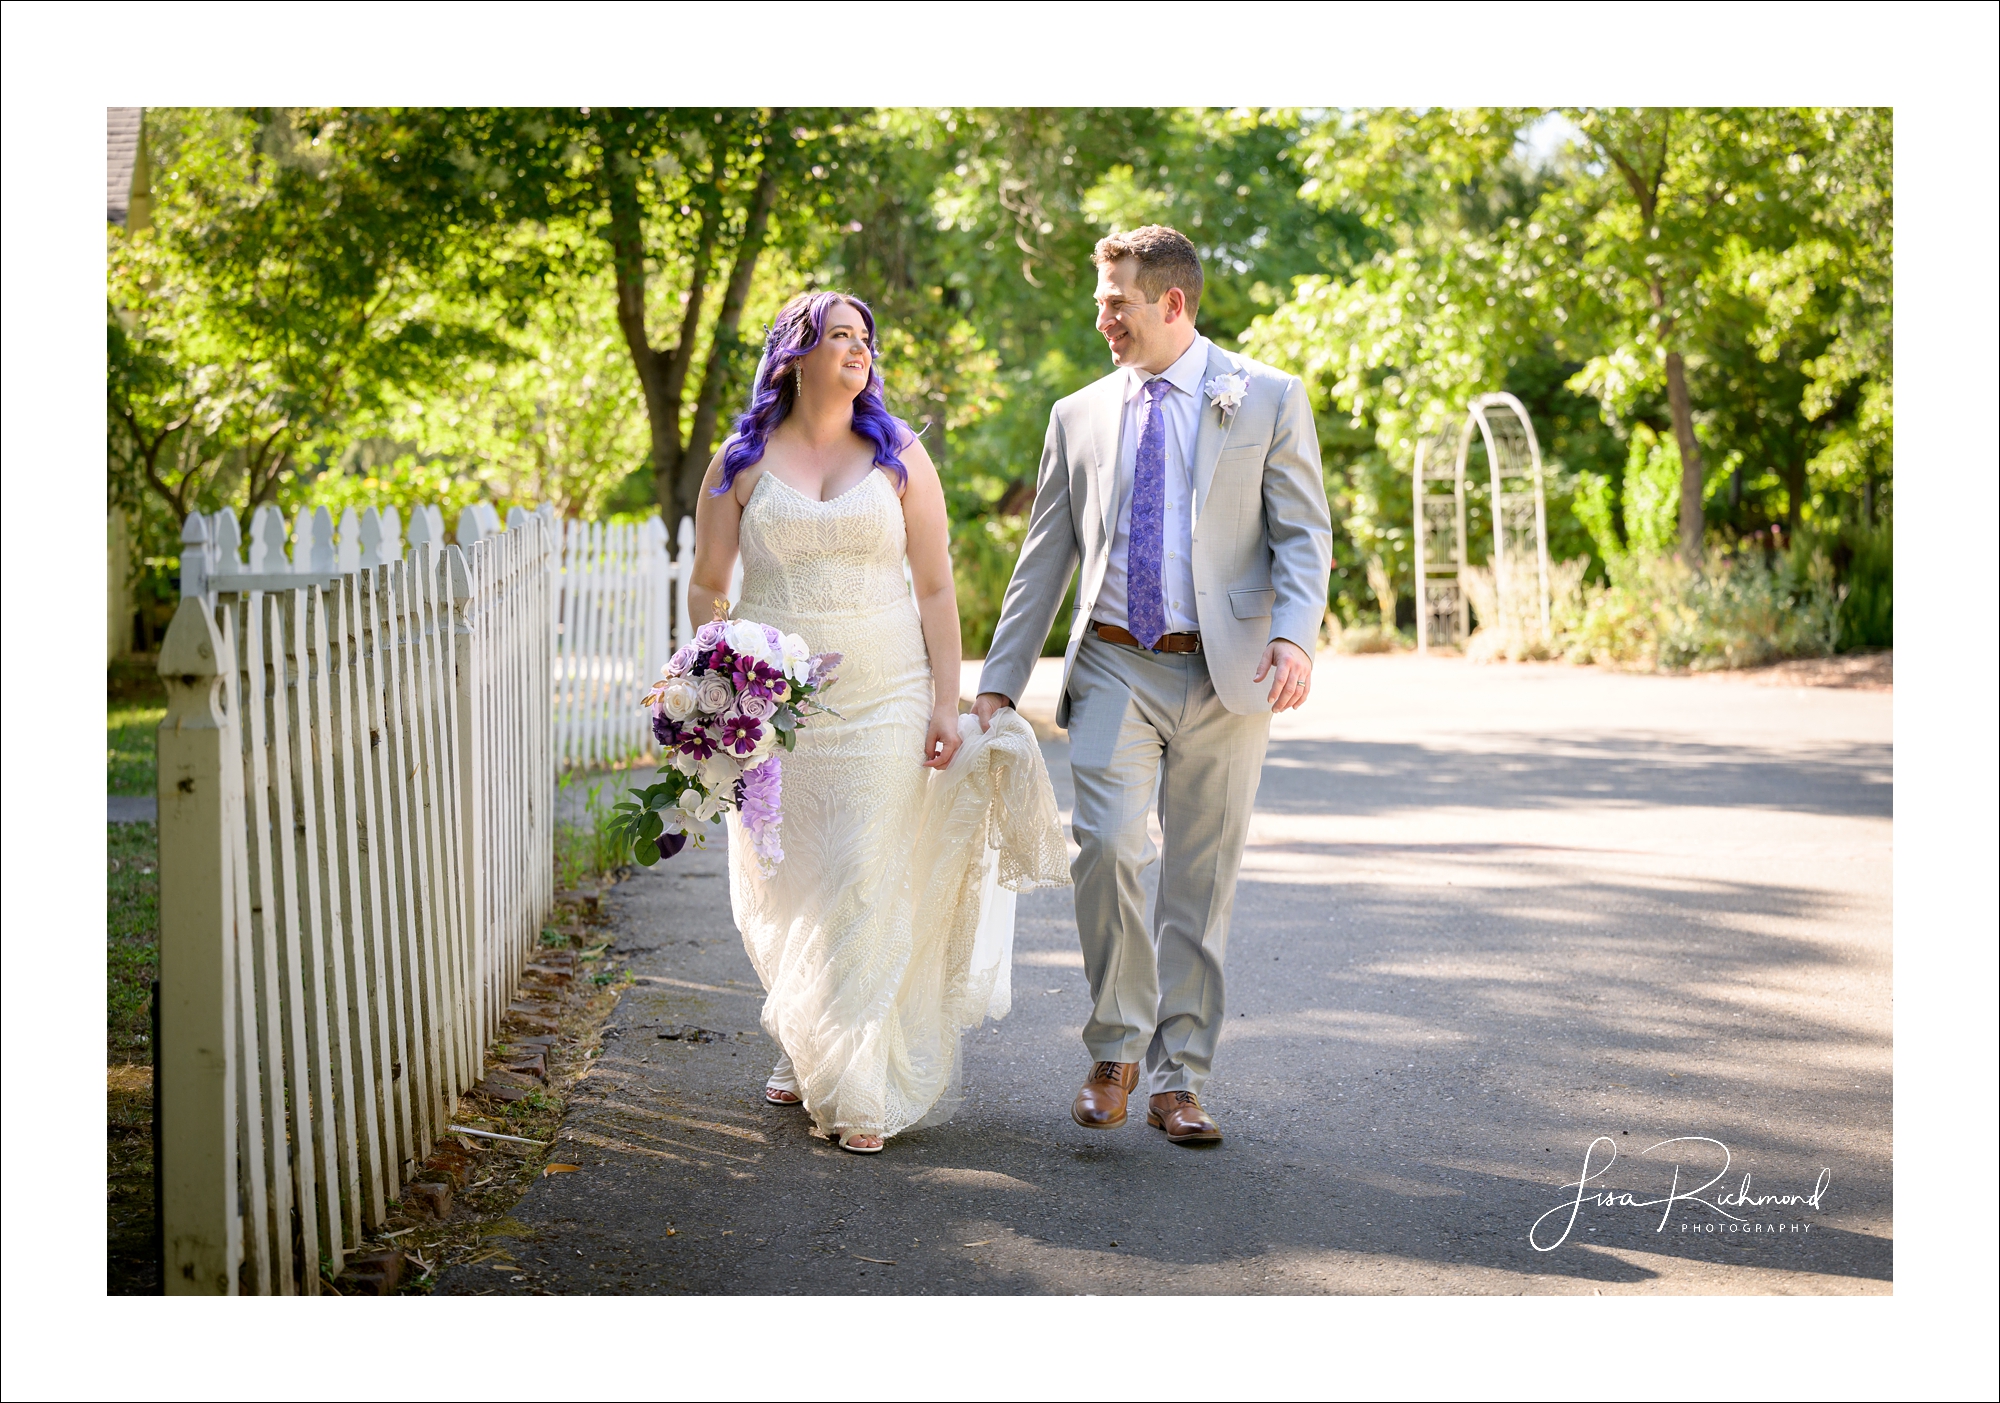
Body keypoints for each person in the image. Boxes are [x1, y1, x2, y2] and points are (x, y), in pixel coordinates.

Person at [974, 225, 1333, 1146]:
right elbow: (1043, 555)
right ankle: (1116, 1046)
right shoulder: (1078, 413)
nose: (1103, 319)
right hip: (1115, 661)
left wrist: (1294, 636)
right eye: (1101, 301)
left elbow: (1303, 534)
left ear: (1171, 304)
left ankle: (1181, 1079)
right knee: (1105, 847)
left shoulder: (1267, 397)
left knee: (1201, 880)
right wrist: (999, 684)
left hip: (1228, 673)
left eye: (1116, 302)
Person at [689, 291, 1067, 1154]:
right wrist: (714, 688)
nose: (859, 351)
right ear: (796, 355)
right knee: (792, 882)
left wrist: (945, 698)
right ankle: (803, 1034)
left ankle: (857, 1084)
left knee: (863, 872)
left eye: (866, 339)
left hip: (886, 693)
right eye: (840, 337)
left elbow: (935, 585)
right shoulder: (740, 459)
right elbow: (710, 582)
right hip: (777, 705)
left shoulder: (898, 455)